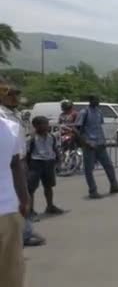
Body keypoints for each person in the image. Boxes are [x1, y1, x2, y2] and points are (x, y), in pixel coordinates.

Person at [0, 78, 46, 247]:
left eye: (16, 94)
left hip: (20, 160)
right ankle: (24, 234)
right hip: (9, 164)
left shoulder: (16, 114)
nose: (14, 98)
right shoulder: (2, 115)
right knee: (15, 198)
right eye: (10, 94)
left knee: (21, 197)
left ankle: (24, 232)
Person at [76, 95, 118, 199]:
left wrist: (104, 140)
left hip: (100, 143)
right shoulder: (84, 113)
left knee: (108, 165)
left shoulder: (99, 112)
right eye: (96, 100)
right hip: (89, 145)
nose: (98, 102)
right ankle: (93, 191)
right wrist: (86, 142)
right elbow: (77, 129)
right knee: (89, 169)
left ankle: (114, 186)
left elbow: (99, 127)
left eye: (98, 100)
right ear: (90, 101)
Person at [0, 116, 30, 287]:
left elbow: (15, 165)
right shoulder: (10, 127)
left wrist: (24, 198)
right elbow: (16, 165)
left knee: (11, 272)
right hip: (8, 210)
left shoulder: (12, 128)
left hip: (7, 211)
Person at [27, 116, 64, 216]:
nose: (47, 126)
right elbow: (27, 153)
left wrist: (59, 160)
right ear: (36, 126)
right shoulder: (32, 138)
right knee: (31, 188)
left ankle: (50, 206)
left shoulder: (51, 136)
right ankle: (30, 210)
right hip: (36, 163)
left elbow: (54, 148)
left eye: (47, 124)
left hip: (49, 162)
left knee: (48, 186)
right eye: (44, 124)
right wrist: (27, 167)